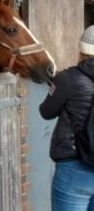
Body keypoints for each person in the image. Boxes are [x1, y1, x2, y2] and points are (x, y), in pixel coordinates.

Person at [40, 25, 94, 210]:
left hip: (74, 166)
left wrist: (55, 87)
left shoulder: (68, 78)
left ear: (82, 49)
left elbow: (46, 112)